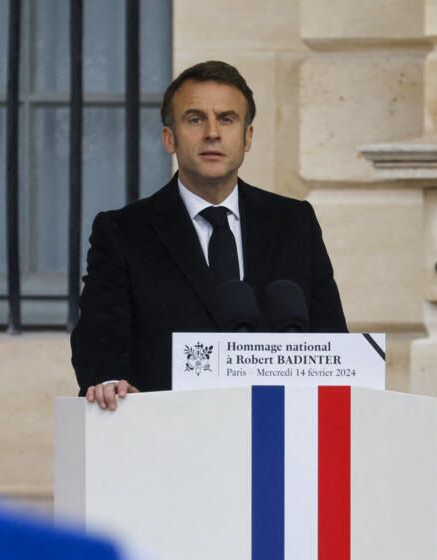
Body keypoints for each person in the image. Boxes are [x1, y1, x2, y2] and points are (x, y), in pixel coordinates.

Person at [71, 60, 348, 409]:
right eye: (195, 119)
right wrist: (108, 381)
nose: (212, 133)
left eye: (227, 119)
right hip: (166, 435)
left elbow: (332, 340)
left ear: (248, 137)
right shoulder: (122, 232)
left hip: (278, 436)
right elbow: (100, 334)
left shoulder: (294, 221)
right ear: (169, 137)